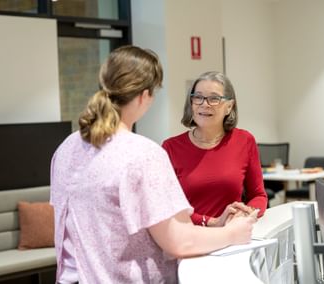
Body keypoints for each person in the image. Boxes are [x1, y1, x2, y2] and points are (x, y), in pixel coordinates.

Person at [50, 46, 256, 283]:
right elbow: (179, 241)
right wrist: (231, 233)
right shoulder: (143, 154)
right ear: (145, 95)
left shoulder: (67, 148)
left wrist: (214, 225)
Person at [162, 71, 268, 227]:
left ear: (229, 106)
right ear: (191, 103)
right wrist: (213, 222)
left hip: (233, 239)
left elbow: (258, 195)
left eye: (214, 99)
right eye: (198, 97)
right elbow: (167, 207)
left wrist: (245, 213)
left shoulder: (245, 141)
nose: (205, 104)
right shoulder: (170, 148)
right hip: (190, 239)